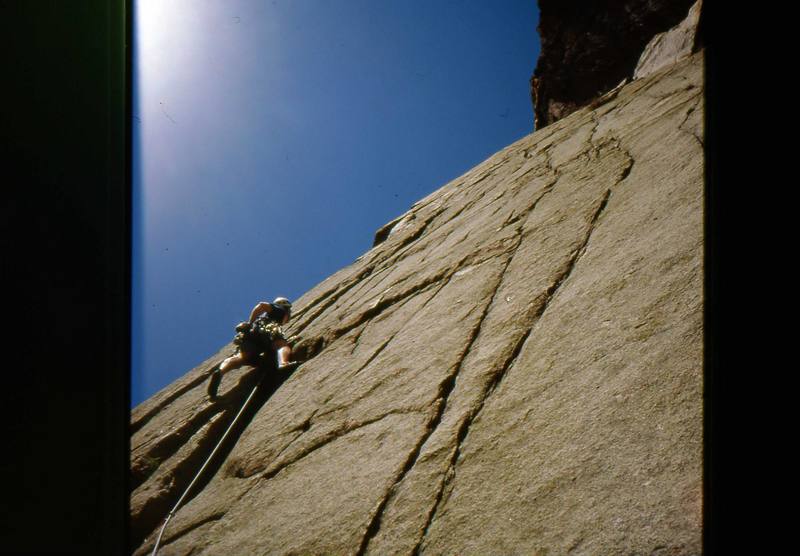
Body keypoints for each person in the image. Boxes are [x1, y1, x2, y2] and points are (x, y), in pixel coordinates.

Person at [207, 297, 294, 399]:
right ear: (286, 306)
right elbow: (262, 305)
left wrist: (250, 325)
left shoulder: (262, 318)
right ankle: (283, 363)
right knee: (281, 345)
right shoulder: (279, 310)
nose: (289, 317)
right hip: (266, 329)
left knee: (242, 357)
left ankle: (221, 371)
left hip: (250, 336)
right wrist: (250, 322)